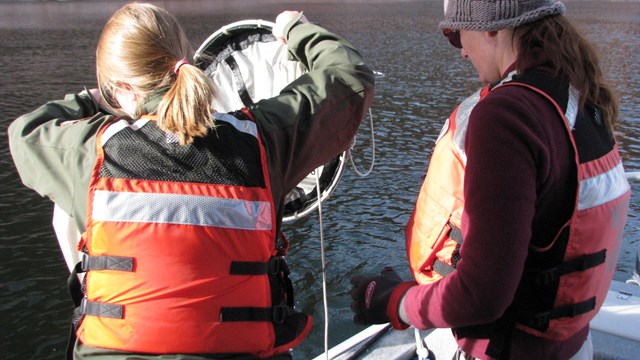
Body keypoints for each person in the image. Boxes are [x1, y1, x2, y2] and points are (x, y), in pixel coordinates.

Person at [9, 3, 374, 360]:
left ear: (120, 87)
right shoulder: (264, 141)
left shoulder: (90, 152)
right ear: (189, 60)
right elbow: (350, 77)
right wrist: (295, 28)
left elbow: (24, 132)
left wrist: (94, 98)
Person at [349, 0, 630, 359]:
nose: (462, 52)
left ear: (492, 27)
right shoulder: (580, 97)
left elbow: (481, 295)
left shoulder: (506, 115)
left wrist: (394, 300)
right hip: (573, 347)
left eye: (456, 35)